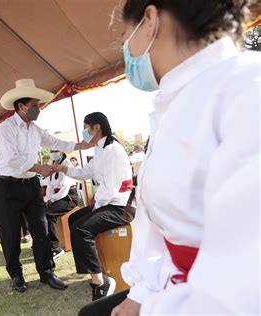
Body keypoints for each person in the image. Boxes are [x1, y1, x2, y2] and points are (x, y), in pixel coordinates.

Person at [79, 1, 259, 315]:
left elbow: (240, 287)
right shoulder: (173, 105)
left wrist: (151, 307)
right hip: (175, 286)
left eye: (125, 37)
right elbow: (157, 228)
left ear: (150, 20)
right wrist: (140, 294)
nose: (127, 51)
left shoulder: (245, 90)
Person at [0, 78, 93, 293]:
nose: (37, 109)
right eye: (34, 106)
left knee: (42, 229)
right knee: (10, 234)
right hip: (7, 187)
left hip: (30, 186)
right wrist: (40, 168)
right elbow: (13, 159)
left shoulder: (35, 129)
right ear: (20, 106)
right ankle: (16, 275)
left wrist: (80, 145)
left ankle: (47, 272)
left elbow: (55, 142)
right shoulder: (6, 129)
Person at [53, 112, 133, 301]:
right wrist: (64, 169)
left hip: (121, 206)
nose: (84, 132)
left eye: (86, 127)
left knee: (81, 229)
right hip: (108, 202)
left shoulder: (113, 149)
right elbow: (84, 172)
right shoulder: (99, 149)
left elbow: (110, 188)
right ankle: (94, 271)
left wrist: (96, 207)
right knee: (74, 219)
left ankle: (101, 283)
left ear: (96, 127)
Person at [44, 150, 78, 259]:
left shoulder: (67, 164)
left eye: (55, 151)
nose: (53, 153)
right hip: (57, 197)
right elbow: (50, 186)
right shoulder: (53, 165)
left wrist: (52, 200)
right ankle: (46, 243)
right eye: (52, 151)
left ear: (61, 151)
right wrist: (48, 199)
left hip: (68, 198)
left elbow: (65, 189)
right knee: (39, 211)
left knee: (48, 214)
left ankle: (56, 248)